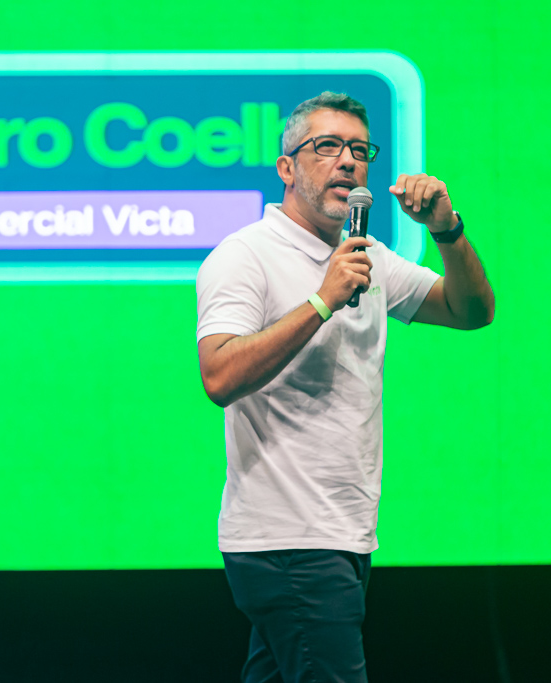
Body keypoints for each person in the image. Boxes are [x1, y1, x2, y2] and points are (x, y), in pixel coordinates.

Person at [195, 91, 494, 682]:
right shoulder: (245, 256)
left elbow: (471, 310)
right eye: (327, 146)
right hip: (289, 537)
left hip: (343, 532)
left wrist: (447, 230)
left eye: (359, 149)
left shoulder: (367, 256)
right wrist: (322, 300)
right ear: (287, 168)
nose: (349, 161)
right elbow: (220, 375)